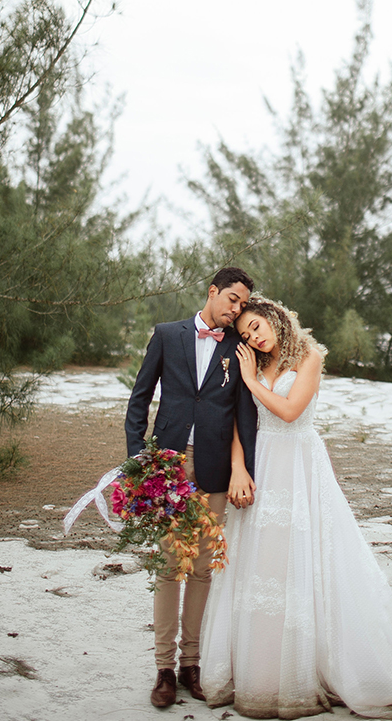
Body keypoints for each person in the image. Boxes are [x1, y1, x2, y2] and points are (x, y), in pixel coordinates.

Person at [200, 295, 392, 719]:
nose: (255, 336)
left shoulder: (308, 357)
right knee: (259, 562)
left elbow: (289, 412)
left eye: (258, 327)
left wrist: (251, 382)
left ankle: (308, 666)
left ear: (275, 318)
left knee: (305, 559)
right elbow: (241, 421)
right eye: (247, 332)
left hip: (299, 465)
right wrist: (239, 468)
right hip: (261, 462)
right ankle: (257, 666)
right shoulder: (252, 360)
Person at [124, 267, 258, 709]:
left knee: (202, 567)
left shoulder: (238, 348)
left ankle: (191, 665)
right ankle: (163, 668)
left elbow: (244, 415)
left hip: (217, 469)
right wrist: (138, 461)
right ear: (212, 291)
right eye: (232, 300)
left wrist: (246, 471)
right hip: (170, 464)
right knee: (169, 564)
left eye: (242, 305)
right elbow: (140, 397)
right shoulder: (167, 334)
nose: (236, 310)